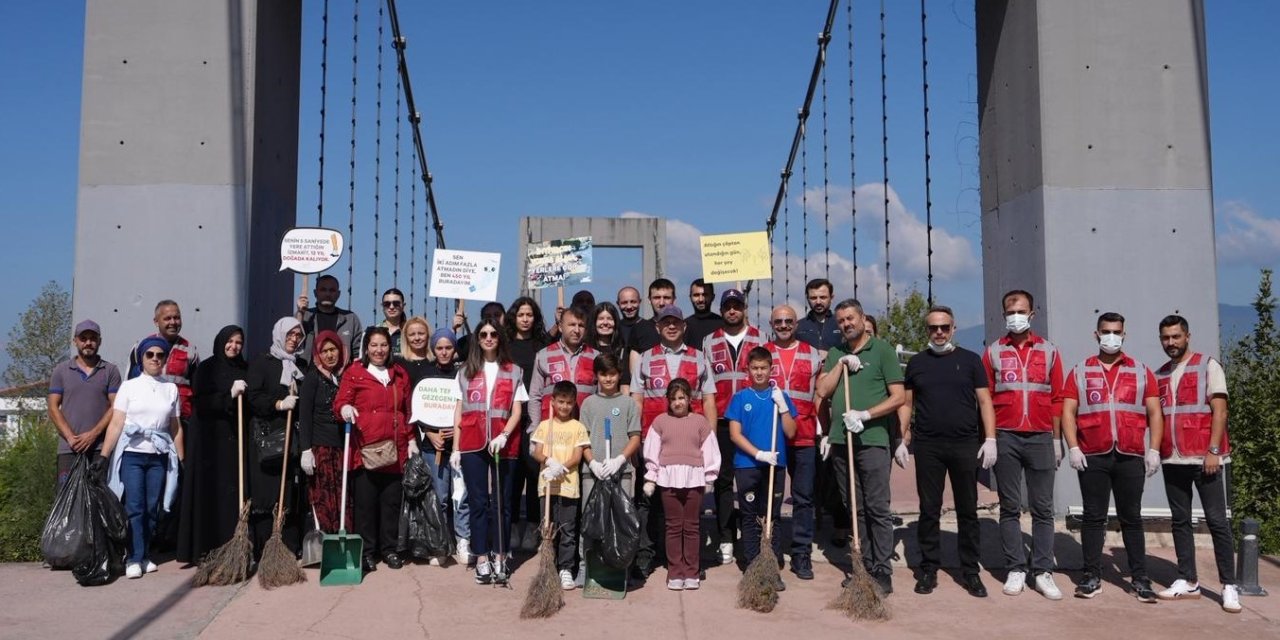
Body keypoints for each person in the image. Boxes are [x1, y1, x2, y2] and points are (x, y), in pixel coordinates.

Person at [1061, 311, 1164, 602]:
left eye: (1117, 331)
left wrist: (1154, 449)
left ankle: (1140, 578)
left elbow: (1155, 412)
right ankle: (1091, 575)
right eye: (1106, 331)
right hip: (1093, 454)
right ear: (1096, 334)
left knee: (1131, 517)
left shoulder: (1141, 371)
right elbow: (1068, 411)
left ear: (1124, 334)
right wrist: (1073, 446)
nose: (1111, 337)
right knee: (1093, 517)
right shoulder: (1081, 370)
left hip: (1131, 454)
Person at [900, 305, 996, 598]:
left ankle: (970, 571)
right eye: (933, 328)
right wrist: (902, 438)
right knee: (929, 509)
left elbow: (984, 402)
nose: (939, 332)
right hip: (928, 446)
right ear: (927, 330)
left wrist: (990, 438)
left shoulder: (970, 361)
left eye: (944, 327)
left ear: (953, 328)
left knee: (968, 510)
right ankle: (928, 568)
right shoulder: (917, 363)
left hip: (965, 444)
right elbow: (906, 403)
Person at [815, 298, 904, 595]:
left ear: (862, 318)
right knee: (855, 508)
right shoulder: (836, 353)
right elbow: (823, 391)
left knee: (877, 507)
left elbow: (898, 397)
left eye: (850, 318)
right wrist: (840, 366)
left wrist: (866, 415)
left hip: (873, 441)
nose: (846, 324)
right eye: (840, 321)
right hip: (842, 441)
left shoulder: (882, 351)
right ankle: (863, 566)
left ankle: (882, 569)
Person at [982, 289, 1066, 599]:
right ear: (1004, 315)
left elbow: (1058, 398)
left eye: (1021, 311)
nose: (1015, 316)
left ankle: (1042, 570)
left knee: (1043, 508)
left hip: (1041, 437)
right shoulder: (993, 352)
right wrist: (989, 438)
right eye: (1009, 311)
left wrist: (1057, 440)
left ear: (1032, 314)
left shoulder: (1049, 351)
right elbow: (986, 399)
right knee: (1009, 507)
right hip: (1006, 436)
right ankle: (1016, 567)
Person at [1153, 315, 1239, 613]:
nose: (1170, 343)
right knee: (1180, 521)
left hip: (1205, 458)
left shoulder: (1207, 365)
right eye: (1165, 337)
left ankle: (1229, 585)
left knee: (1217, 522)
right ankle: (1188, 580)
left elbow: (1220, 410)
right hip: (1173, 458)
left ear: (1187, 336)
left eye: (1176, 336)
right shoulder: (1160, 373)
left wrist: (1213, 450)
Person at [631, 305, 717, 580]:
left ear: (684, 326)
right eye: (665, 322)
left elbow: (709, 401)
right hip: (653, 441)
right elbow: (637, 400)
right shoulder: (644, 358)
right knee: (649, 501)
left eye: (676, 322)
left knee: (688, 503)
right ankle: (647, 555)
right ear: (657, 327)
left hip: (689, 445)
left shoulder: (699, 358)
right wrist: (636, 439)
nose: (671, 326)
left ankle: (689, 563)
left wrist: (709, 440)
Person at [98, 336, 183, 579]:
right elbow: (116, 423)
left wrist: (182, 458)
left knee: (152, 508)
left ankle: (145, 554)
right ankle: (133, 557)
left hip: (159, 455)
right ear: (142, 358)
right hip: (133, 454)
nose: (155, 359)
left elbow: (175, 427)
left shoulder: (171, 389)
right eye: (150, 355)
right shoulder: (129, 386)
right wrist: (104, 456)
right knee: (134, 506)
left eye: (160, 355)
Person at [450, 319, 526, 584]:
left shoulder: (514, 371)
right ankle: (481, 557)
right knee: (478, 503)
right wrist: (455, 448)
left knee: (502, 504)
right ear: (477, 339)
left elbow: (517, 409)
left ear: (500, 338)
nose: (489, 338)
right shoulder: (465, 372)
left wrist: (505, 434)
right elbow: (459, 410)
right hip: (472, 443)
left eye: (494, 333)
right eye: (483, 334)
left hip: (503, 445)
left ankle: (501, 555)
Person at [335, 327, 413, 573]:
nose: (379, 350)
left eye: (384, 345)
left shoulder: (399, 373)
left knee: (390, 503)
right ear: (366, 348)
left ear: (390, 348)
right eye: (374, 345)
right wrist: (344, 409)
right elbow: (340, 403)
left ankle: (389, 549)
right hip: (365, 449)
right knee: (366, 505)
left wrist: (411, 439)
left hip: (394, 449)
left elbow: (407, 410)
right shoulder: (355, 373)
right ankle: (367, 551)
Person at [701, 288, 765, 566]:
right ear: (722, 309)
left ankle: (757, 534)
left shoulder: (760, 338)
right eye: (727, 306)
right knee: (723, 481)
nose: (732, 310)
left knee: (753, 479)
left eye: (737, 305)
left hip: (754, 420)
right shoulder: (709, 341)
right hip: (725, 420)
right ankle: (726, 536)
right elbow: (706, 386)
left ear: (744, 308)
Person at [727, 347, 798, 590]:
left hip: (775, 465)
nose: (759, 372)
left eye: (763, 368)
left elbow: (791, 431)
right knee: (749, 516)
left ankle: (772, 563)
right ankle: (751, 564)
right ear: (748, 370)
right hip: (747, 465)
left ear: (771, 370)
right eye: (754, 368)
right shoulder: (740, 398)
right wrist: (758, 453)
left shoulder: (780, 396)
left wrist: (784, 407)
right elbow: (734, 435)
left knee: (772, 516)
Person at [177, 325, 247, 565]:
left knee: (231, 495)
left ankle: (230, 546)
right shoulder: (207, 368)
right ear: (221, 341)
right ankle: (204, 549)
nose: (234, 346)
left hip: (234, 441)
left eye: (238, 342)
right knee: (208, 495)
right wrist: (229, 394)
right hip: (209, 443)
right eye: (230, 341)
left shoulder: (244, 369)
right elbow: (202, 402)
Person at [764, 304, 825, 580]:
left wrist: (823, 428)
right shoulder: (763, 354)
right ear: (771, 323)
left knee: (803, 497)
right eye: (779, 321)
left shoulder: (812, 354)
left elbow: (820, 394)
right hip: (772, 435)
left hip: (804, 434)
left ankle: (801, 553)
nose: (784, 325)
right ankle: (773, 548)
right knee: (772, 496)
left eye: (789, 321)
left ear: (796, 323)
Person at [643, 378, 721, 591]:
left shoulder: (700, 422)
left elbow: (710, 450)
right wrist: (651, 476)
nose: (678, 402)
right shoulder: (660, 422)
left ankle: (692, 571)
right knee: (673, 526)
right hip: (668, 480)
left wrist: (709, 477)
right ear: (668, 400)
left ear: (689, 399)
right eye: (673, 399)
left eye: (682, 398)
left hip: (693, 479)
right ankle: (675, 571)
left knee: (692, 526)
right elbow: (651, 451)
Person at [245, 317, 308, 555]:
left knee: (290, 493)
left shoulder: (301, 365)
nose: (293, 339)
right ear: (279, 334)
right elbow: (254, 397)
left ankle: (289, 547)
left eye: (298, 335)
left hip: (292, 439)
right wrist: (279, 403)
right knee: (268, 493)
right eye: (289, 334)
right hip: (268, 438)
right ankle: (265, 548)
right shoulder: (263, 362)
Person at [408, 327, 470, 565]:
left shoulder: (462, 373)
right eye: (439, 348)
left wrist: (457, 431)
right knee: (440, 496)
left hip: (459, 445)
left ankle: (463, 539)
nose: (444, 352)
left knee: (461, 494)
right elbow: (418, 406)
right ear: (433, 350)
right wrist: (429, 432)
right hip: (432, 446)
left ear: (455, 349)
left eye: (449, 347)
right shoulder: (424, 373)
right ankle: (440, 544)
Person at [578, 352, 641, 585]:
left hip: (621, 473)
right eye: (603, 374)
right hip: (592, 474)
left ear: (619, 375)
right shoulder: (588, 403)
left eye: (612, 374)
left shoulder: (627, 403)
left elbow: (635, 436)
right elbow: (582, 438)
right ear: (596, 376)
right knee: (591, 521)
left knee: (621, 523)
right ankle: (585, 567)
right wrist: (592, 462)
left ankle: (622, 570)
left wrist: (619, 460)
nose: (608, 379)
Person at [531, 381, 591, 590]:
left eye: (569, 403)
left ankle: (566, 568)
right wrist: (549, 462)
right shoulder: (544, 426)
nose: (564, 406)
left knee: (567, 529)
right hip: (547, 486)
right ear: (553, 402)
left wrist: (561, 467)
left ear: (574, 404)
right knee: (548, 527)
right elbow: (537, 452)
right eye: (561, 402)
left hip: (568, 485)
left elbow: (577, 455)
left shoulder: (578, 427)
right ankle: (550, 566)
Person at [49, 319, 121, 489]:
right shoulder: (61, 370)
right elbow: (53, 407)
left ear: (100, 341)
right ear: (75, 341)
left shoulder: (110, 371)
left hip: (100, 449)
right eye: (83, 338)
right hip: (69, 449)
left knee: (98, 502)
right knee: (67, 501)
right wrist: (70, 437)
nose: (88, 342)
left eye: (93, 338)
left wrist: (93, 435)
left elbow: (116, 406)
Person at [505, 296, 551, 554]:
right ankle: (512, 527)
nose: (525, 319)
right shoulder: (504, 345)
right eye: (521, 314)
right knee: (513, 475)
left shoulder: (543, 345)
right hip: (511, 418)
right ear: (514, 317)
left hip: (536, 418)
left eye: (529, 315)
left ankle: (534, 527)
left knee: (535, 472)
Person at [298, 330, 352, 534]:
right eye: (325, 351)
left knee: (342, 497)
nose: (330, 355)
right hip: (320, 448)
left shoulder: (343, 378)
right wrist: (306, 449)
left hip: (341, 447)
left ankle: (342, 539)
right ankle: (324, 540)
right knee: (323, 497)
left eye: (333, 349)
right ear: (318, 354)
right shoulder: (313, 379)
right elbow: (304, 416)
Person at [129, 300, 200, 422]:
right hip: (147, 419)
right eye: (167, 318)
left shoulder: (190, 350)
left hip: (181, 420)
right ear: (156, 322)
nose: (173, 322)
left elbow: (197, 389)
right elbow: (130, 385)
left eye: (177, 318)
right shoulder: (141, 347)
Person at [528, 305, 597, 428]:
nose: (576, 330)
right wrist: (535, 430)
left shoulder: (595, 357)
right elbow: (535, 397)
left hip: (585, 430)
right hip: (551, 430)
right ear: (560, 327)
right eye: (571, 325)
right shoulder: (544, 355)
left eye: (581, 325)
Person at [296, 274, 364, 360]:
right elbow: (294, 343)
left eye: (332, 290)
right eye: (323, 290)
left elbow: (358, 353)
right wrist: (300, 313)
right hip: (309, 372)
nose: (327, 294)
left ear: (338, 294)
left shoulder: (350, 319)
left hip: (341, 372)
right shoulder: (305, 316)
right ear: (315, 293)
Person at [627, 278, 677, 364]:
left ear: (674, 300)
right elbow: (635, 371)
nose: (661, 303)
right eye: (657, 297)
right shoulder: (639, 329)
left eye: (666, 298)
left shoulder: (683, 328)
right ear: (650, 300)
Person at [586, 302, 632, 393]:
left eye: (610, 318)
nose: (605, 322)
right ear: (594, 322)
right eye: (601, 319)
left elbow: (625, 385)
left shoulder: (623, 351)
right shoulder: (585, 350)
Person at [796, 279, 842, 354]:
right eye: (813, 298)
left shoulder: (841, 323)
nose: (818, 302)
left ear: (831, 297)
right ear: (807, 299)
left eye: (823, 297)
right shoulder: (798, 326)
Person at [684, 278, 723, 349]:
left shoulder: (723, 324)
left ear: (713, 297)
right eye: (696, 295)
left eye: (705, 295)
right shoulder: (683, 326)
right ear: (690, 297)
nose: (701, 299)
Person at [397, 316, 436, 382]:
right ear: (406, 337)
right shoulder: (398, 363)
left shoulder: (436, 363)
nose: (417, 338)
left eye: (421, 333)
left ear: (428, 335)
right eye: (412, 334)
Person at [379, 288, 408, 356]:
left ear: (403, 306)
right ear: (382, 306)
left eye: (396, 303)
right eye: (387, 304)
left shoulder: (412, 332)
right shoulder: (372, 332)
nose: (391, 307)